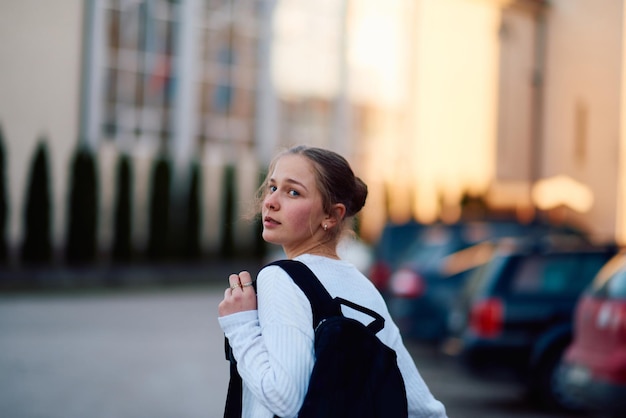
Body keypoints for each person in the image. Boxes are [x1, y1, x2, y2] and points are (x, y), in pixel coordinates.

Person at [218, 145, 447, 418]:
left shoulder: (280, 277)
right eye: (272, 187)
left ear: (331, 215)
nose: (271, 201)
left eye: (293, 192)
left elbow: (285, 398)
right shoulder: (364, 289)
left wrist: (241, 326)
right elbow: (425, 410)